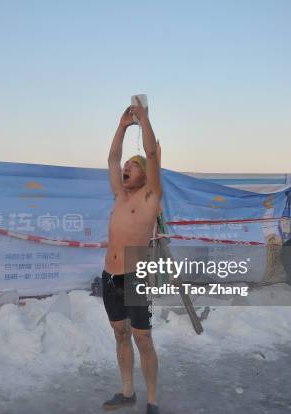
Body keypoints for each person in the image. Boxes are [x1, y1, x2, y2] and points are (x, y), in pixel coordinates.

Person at [102, 97, 162, 414]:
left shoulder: (151, 196)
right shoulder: (119, 195)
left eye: (133, 165)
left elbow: (152, 153)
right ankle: (127, 391)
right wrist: (123, 125)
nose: (126, 167)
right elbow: (112, 158)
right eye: (128, 165)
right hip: (110, 275)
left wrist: (144, 119)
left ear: (145, 173)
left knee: (143, 338)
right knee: (120, 334)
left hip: (136, 274)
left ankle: (152, 401)